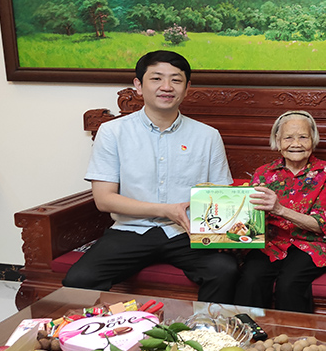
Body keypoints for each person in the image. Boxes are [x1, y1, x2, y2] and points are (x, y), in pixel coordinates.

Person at [62, 50, 238, 302]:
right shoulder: (112, 132)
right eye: (156, 78)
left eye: (176, 80)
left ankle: (204, 325)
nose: (166, 87)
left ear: (187, 88)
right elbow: (104, 200)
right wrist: (166, 210)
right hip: (131, 229)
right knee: (80, 279)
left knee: (224, 269)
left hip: (186, 232)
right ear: (138, 85)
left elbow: (221, 195)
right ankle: (113, 325)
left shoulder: (207, 136)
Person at [233, 111, 326, 313]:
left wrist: (280, 210)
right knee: (250, 278)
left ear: (313, 139)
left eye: (303, 137)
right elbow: (251, 220)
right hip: (271, 243)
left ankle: (292, 332)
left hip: (311, 244)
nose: (296, 144)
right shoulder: (263, 173)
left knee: (289, 283)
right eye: (288, 137)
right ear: (278, 141)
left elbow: (320, 225)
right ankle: (249, 330)